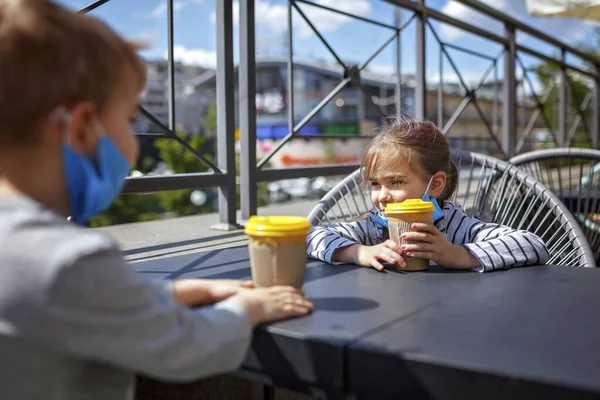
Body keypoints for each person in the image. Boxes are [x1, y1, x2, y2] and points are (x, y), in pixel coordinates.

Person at [0, 1, 312, 399]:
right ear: (80, 128)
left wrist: (186, 290)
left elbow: (91, 309)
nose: (134, 135)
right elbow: (184, 345)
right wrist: (252, 308)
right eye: (131, 119)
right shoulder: (66, 260)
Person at [307, 117, 550, 272]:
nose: (382, 196)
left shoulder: (455, 227)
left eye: (396, 182)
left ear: (435, 185)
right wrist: (358, 252)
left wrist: (456, 254)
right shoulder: (371, 229)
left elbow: (533, 245)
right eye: (375, 184)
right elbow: (308, 236)